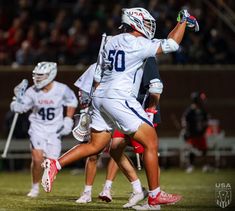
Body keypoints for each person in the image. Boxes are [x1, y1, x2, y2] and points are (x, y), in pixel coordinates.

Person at [41, 8, 198, 210]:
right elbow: (173, 44)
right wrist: (182, 21)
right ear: (136, 23)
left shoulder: (111, 41)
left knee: (96, 146)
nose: (150, 27)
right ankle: (155, 195)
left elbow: (98, 74)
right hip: (119, 97)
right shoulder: (139, 43)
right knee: (151, 141)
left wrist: (89, 108)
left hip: (100, 96)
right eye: (147, 23)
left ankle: (56, 164)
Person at [74, 57, 162, 208]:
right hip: (121, 109)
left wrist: (151, 111)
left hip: (140, 111)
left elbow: (156, 86)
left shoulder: (145, 56)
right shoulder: (117, 62)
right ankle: (134, 189)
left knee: (147, 151)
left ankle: (155, 195)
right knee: (114, 149)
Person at [10, 62, 78, 197]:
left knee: (51, 163)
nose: (38, 78)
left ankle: (45, 182)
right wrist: (16, 104)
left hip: (55, 130)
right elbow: (22, 107)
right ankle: (35, 187)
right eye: (36, 75)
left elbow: (72, 101)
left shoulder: (62, 89)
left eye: (41, 76)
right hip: (37, 128)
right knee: (37, 159)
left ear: (51, 75)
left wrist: (68, 119)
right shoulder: (32, 91)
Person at [181, 91, 208, 173]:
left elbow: (206, 120)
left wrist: (204, 128)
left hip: (200, 133)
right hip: (192, 134)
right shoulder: (190, 110)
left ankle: (204, 165)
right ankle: (191, 165)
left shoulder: (202, 110)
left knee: (203, 150)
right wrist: (186, 128)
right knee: (191, 150)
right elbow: (184, 120)